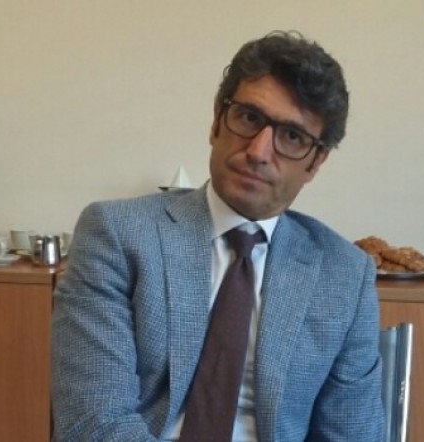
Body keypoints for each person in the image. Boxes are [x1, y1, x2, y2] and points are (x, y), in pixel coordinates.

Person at [51, 30, 383, 442]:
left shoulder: (345, 276)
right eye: (249, 118)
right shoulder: (117, 235)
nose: (259, 151)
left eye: (292, 137)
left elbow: (353, 434)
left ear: (315, 163)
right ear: (216, 122)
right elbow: (93, 422)